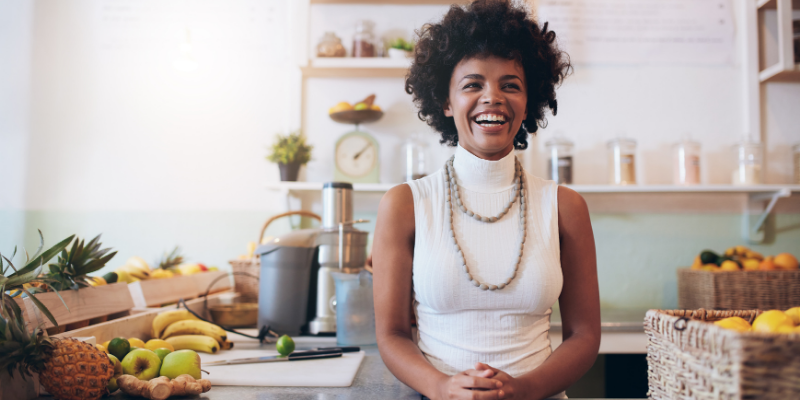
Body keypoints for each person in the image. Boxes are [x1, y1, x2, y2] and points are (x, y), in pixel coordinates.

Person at [371, 1, 600, 399]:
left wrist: (524, 389)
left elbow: (585, 336)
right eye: (472, 84)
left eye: (510, 85)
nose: (492, 97)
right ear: (445, 101)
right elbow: (391, 335)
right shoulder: (406, 204)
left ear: (529, 101)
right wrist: (442, 387)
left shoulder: (565, 206)